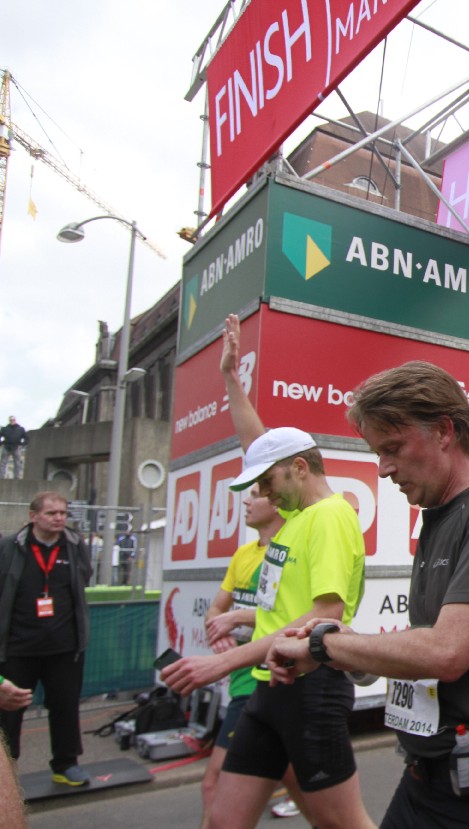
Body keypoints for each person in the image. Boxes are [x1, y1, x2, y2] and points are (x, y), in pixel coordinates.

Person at [266, 359, 469, 828]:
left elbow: (446, 653)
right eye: (377, 452)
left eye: (392, 447)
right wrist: (348, 649)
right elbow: (430, 647)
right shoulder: (437, 518)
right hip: (428, 775)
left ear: (444, 430)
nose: (383, 469)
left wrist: (324, 645)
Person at [161, 313, 370, 829]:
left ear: (300, 468)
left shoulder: (330, 516)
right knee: (223, 820)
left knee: (341, 824)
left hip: (312, 688)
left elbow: (322, 619)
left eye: (267, 483)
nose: (262, 493)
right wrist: (231, 379)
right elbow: (260, 448)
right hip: (268, 685)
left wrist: (220, 664)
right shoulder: (295, 513)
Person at [199, 488, 306, 827]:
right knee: (301, 781)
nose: (245, 501)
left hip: (264, 675)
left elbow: (291, 615)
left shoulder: (288, 553)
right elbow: (217, 607)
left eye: (256, 494)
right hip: (242, 677)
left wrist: (235, 618)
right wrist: (219, 630)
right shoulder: (243, 554)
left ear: (277, 504)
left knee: (214, 780)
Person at [0, 492, 92, 786]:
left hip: (64, 646)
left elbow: (83, 579)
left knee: (65, 706)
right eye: (51, 513)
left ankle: (66, 764)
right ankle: (5, 771)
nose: (59, 518)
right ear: (33, 516)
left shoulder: (74, 545)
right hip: (17, 648)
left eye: (63, 513)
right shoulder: (9, 547)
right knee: (9, 712)